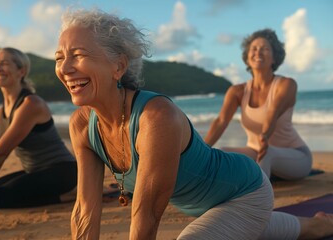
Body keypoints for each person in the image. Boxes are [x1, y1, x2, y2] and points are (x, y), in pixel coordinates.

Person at [55, 8, 333, 239]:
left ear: (118, 66)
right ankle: (316, 226)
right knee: (256, 226)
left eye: (78, 55)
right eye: (59, 57)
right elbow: (85, 209)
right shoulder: (82, 124)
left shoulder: (155, 117)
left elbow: (147, 215)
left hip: (246, 191)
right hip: (212, 207)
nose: (65, 68)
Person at [0, 47, 77, 224]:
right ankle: (64, 197)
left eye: (4, 63)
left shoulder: (31, 104)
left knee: (0, 194)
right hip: (35, 172)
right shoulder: (0, 113)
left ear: (21, 71)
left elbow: (0, 153)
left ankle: (69, 190)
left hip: (61, 172)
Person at [204, 28, 312, 180]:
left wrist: (265, 136)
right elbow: (221, 122)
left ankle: (260, 200)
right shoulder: (237, 91)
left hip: (295, 155)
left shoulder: (286, 85)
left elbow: (272, 112)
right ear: (247, 57)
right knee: (220, 154)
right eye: (253, 49)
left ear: (275, 58)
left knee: (266, 153)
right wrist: (199, 152)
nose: (258, 52)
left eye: (265, 48)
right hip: (255, 152)